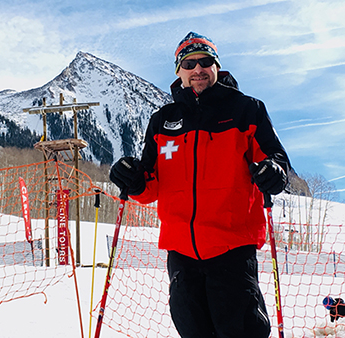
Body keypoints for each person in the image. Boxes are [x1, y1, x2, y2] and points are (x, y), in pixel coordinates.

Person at [109, 32, 290, 338]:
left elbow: (276, 160)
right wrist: (131, 180)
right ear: (179, 71)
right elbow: (149, 187)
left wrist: (275, 172)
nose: (198, 69)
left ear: (216, 66)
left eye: (205, 61)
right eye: (189, 63)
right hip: (181, 254)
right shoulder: (162, 120)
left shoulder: (246, 109)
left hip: (231, 247)